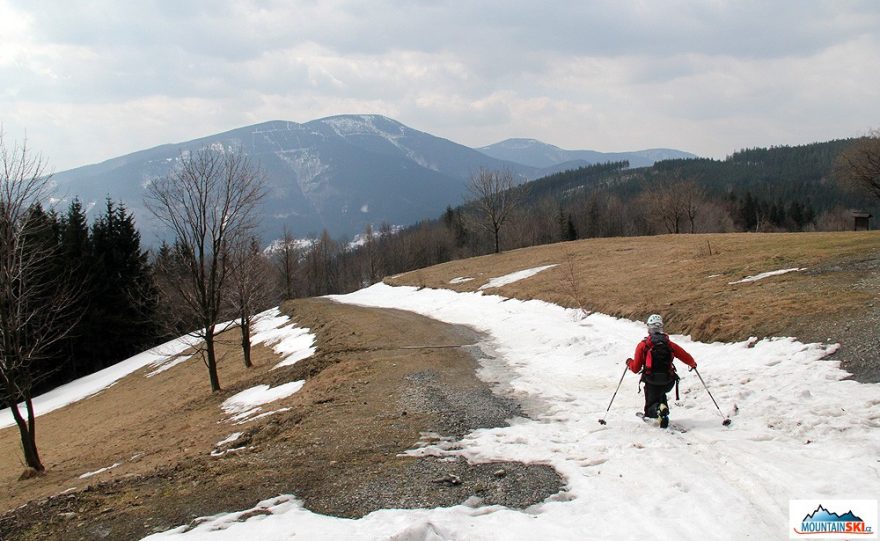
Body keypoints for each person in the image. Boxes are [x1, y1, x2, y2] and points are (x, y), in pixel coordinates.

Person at [626, 314, 697, 428]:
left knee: (650, 408)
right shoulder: (669, 344)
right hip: (668, 381)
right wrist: (692, 364)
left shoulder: (643, 345)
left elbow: (635, 368)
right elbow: (685, 356)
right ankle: (663, 413)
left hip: (652, 380)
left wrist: (629, 362)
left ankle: (658, 410)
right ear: (661, 327)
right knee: (661, 393)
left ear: (649, 328)